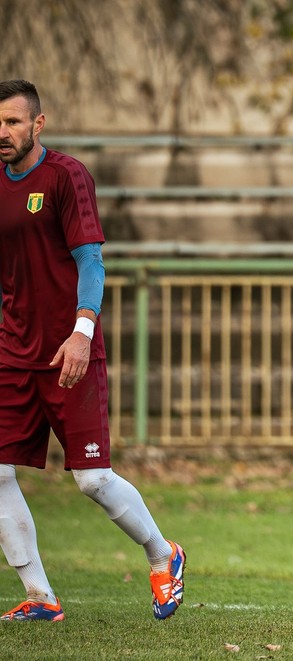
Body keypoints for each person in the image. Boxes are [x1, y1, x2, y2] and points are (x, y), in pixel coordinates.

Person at [0, 79, 185, 622]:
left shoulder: (65, 175)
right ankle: (40, 597)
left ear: (38, 124)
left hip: (68, 353)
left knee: (92, 480)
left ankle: (163, 554)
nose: (2, 132)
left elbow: (91, 260)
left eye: (12, 121)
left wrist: (82, 332)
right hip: (13, 353)